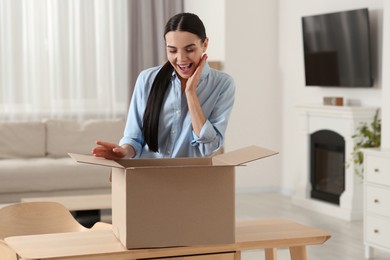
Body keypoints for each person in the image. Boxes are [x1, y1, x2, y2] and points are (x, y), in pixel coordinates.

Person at [92, 12, 235, 159]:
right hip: (147, 176)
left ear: (204, 44)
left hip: (190, 177)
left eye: (189, 49)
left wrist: (191, 93)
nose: (181, 58)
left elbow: (208, 148)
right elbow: (134, 139)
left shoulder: (222, 85)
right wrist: (124, 152)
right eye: (172, 50)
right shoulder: (146, 79)